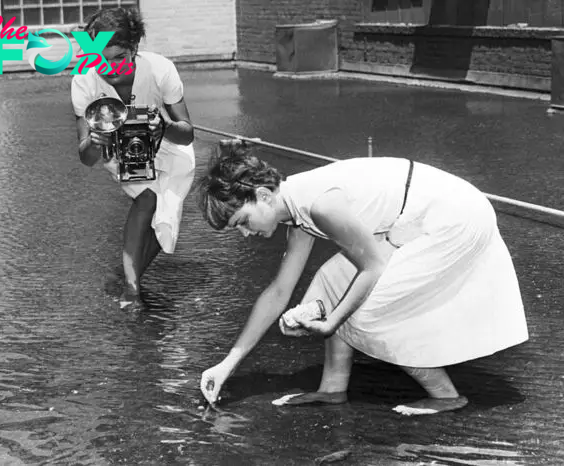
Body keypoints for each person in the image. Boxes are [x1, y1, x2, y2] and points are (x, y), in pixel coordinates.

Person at [197, 139, 529, 415]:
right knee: (330, 284)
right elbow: (279, 291)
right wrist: (227, 364)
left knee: (363, 312)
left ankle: (445, 396)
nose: (244, 233)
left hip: (456, 217)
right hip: (414, 221)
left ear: (263, 196)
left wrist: (331, 322)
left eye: (242, 221)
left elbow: (372, 267)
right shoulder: (296, 208)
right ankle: (332, 388)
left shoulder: (319, 205)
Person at [70, 7, 195, 310]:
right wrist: (95, 141)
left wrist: (164, 126)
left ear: (134, 49)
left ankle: (128, 275)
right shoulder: (84, 82)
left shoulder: (160, 69)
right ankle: (131, 287)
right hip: (121, 149)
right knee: (149, 199)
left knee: (164, 221)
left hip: (170, 147)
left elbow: (187, 133)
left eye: (118, 57)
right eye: (101, 58)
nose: (109, 67)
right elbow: (86, 158)